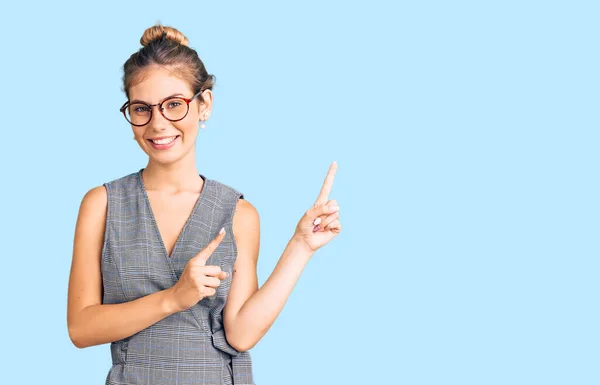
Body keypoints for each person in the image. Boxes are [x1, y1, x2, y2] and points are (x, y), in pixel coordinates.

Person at [66, 23, 342, 385]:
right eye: (141, 109)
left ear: (204, 104)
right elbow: (81, 328)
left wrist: (302, 246)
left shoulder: (238, 213)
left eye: (174, 105)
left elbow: (241, 334)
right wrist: (174, 298)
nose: (158, 124)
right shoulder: (102, 204)